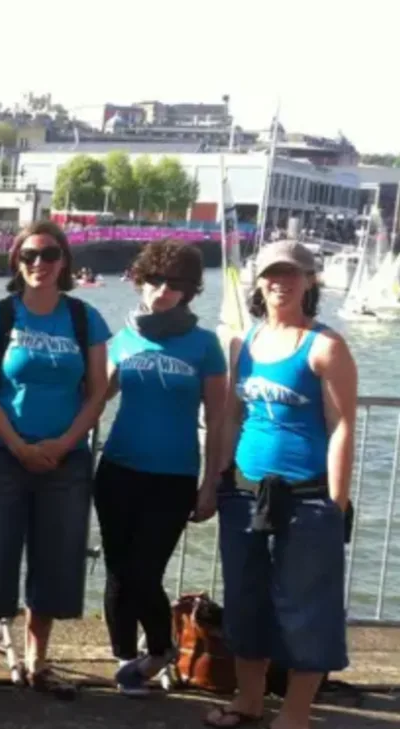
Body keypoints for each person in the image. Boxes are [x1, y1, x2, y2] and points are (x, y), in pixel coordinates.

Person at [204, 241, 357, 729]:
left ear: (310, 281)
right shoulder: (242, 344)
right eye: (272, 273)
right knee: (246, 602)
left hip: (306, 499)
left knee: (306, 608)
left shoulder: (326, 346)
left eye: (292, 274)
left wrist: (336, 502)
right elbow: (231, 416)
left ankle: (295, 713)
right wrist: (214, 483)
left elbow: (341, 427)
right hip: (245, 494)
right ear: (259, 281)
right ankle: (249, 700)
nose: (281, 282)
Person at [0, 220, 110, 701]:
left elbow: (98, 392)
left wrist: (63, 445)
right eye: (29, 256)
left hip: (65, 462)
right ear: (16, 263)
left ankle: (38, 662)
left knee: (55, 560)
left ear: (64, 261)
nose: (39, 264)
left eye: (48, 255)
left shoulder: (86, 319)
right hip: (3, 457)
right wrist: (20, 446)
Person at [94, 240, 226, 695]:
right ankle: (127, 661)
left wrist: (211, 485)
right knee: (117, 570)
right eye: (154, 280)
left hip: (172, 478)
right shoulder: (122, 339)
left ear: (189, 291)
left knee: (144, 572)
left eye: (174, 284)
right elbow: (93, 400)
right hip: (116, 471)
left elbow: (219, 419)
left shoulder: (205, 345)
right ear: (139, 281)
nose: (162, 291)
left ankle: (160, 649)